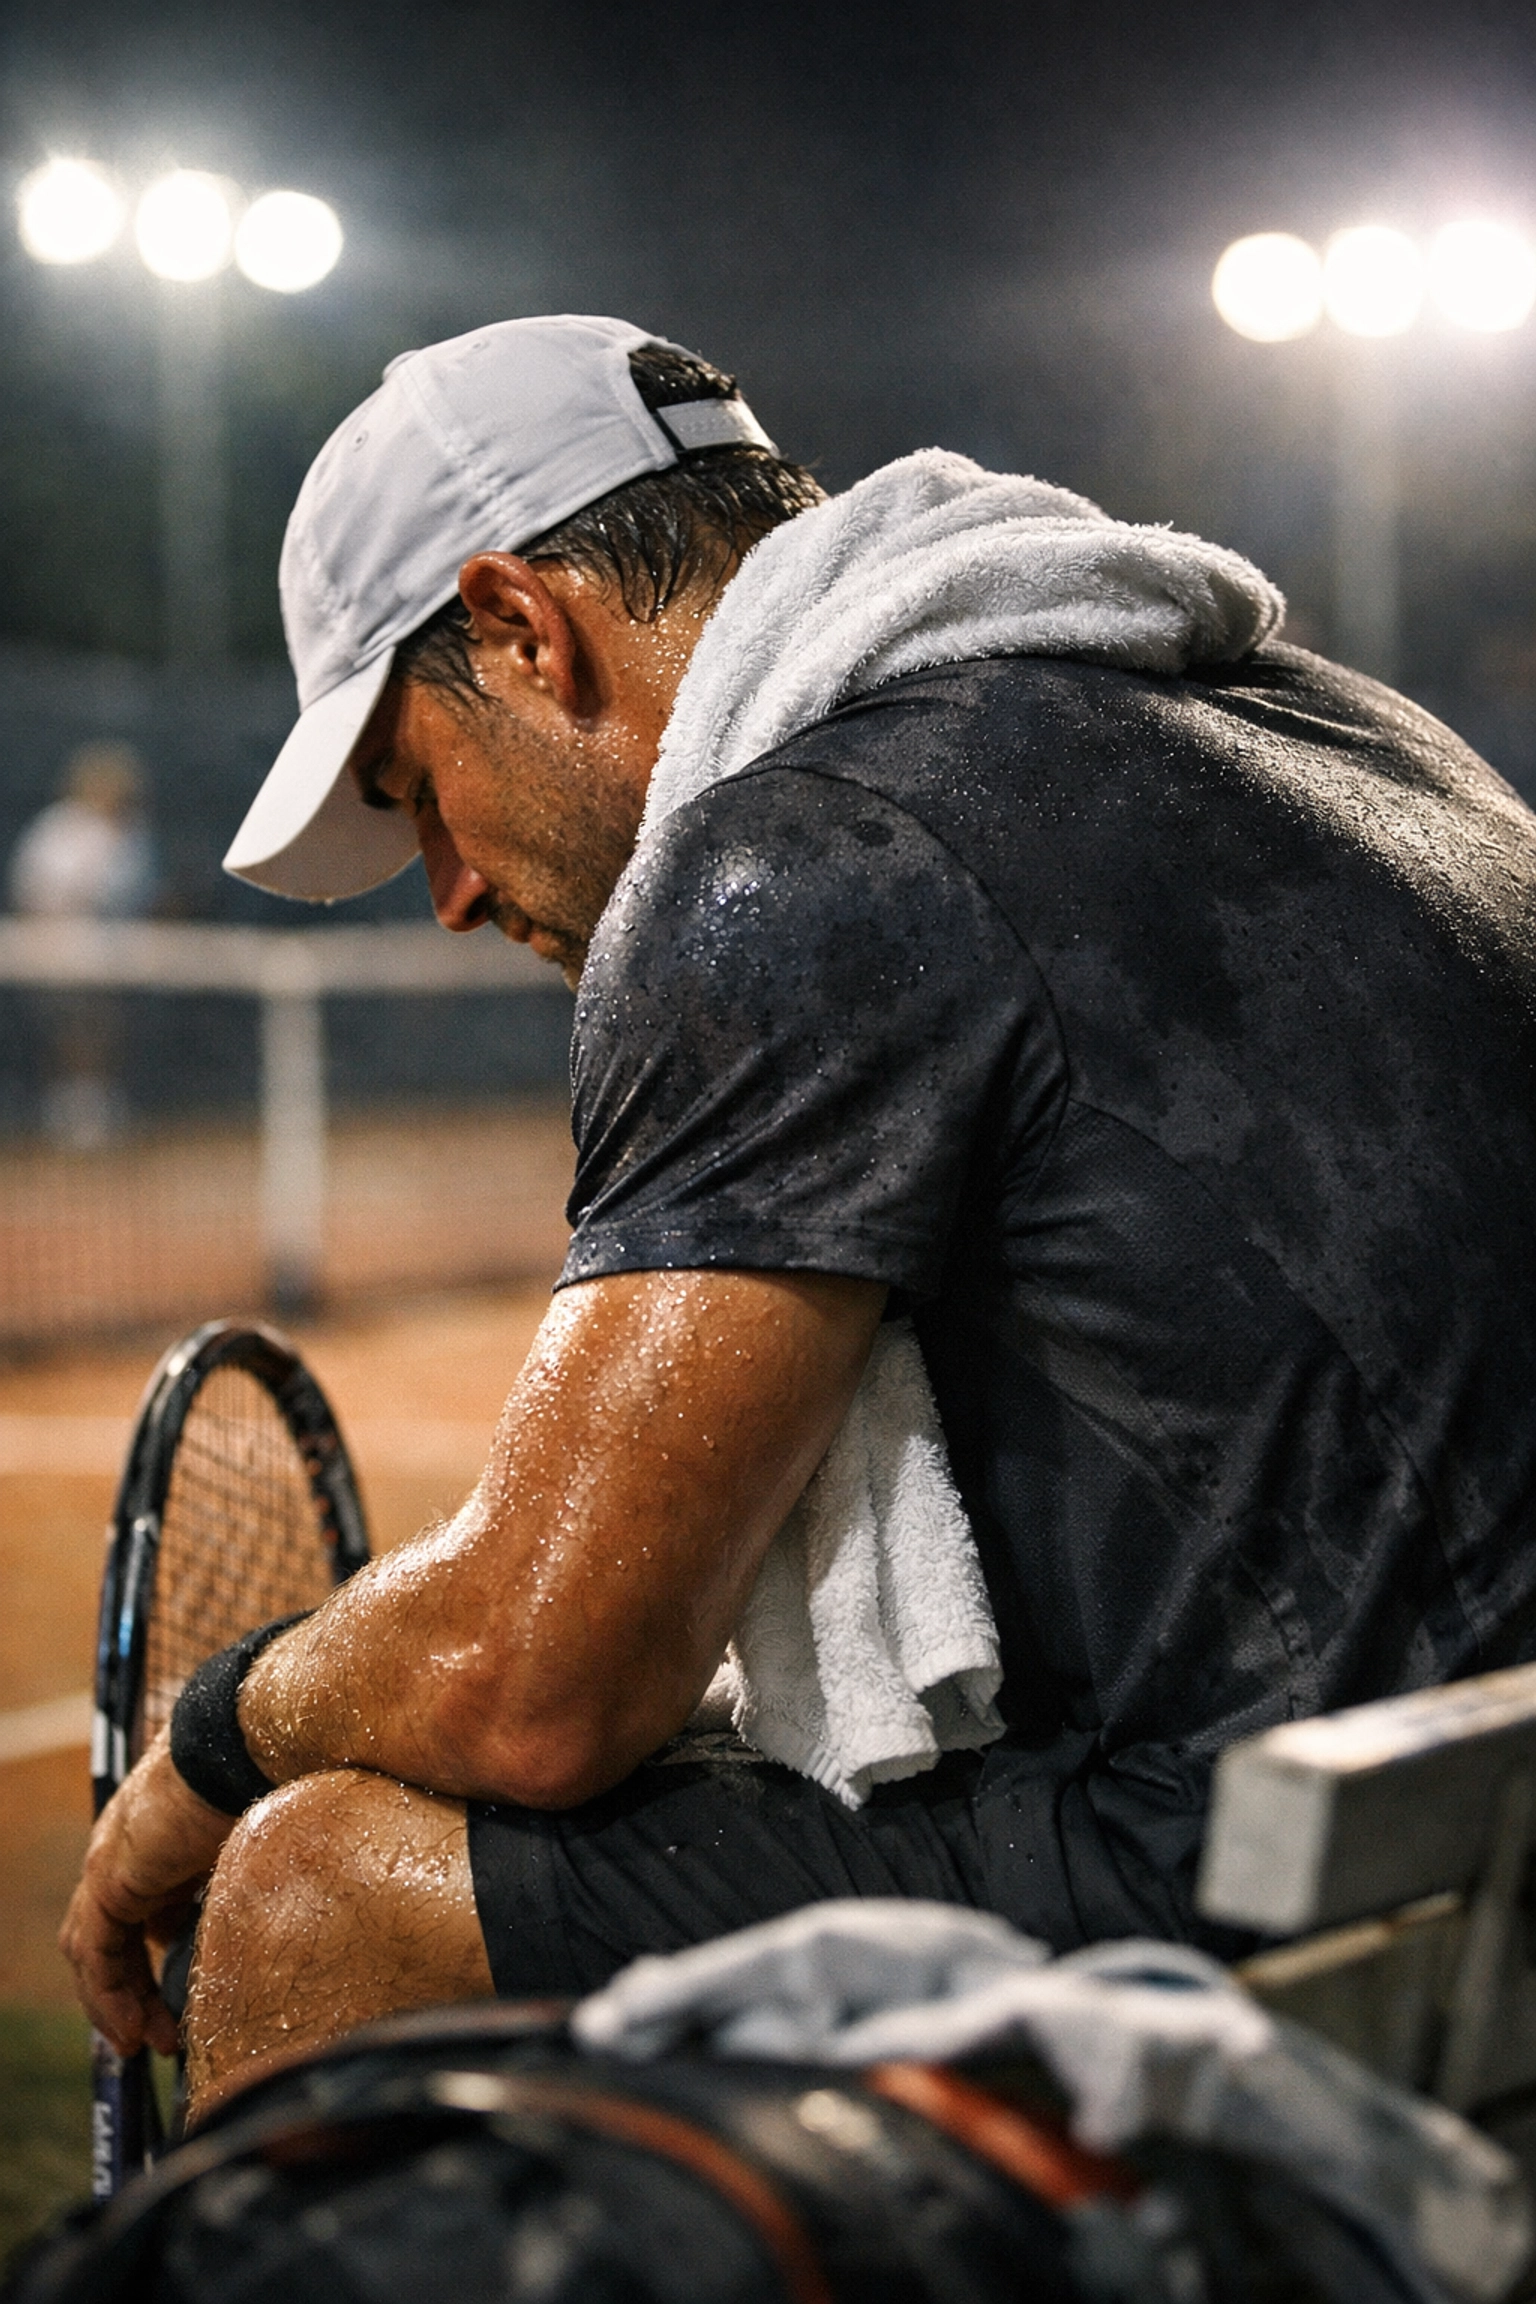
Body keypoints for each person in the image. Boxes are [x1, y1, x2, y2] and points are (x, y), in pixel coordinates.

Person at [61, 315, 1536, 2123]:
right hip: (1467, 1827)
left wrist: (211, 1738)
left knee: (321, 1888)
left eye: (412, 788)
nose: (441, 889)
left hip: (1289, 1905)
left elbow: (538, 1674)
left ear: (525, 624)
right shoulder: (1343, 727)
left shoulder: (799, 847)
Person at [8, 741, 156, 1147]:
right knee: (70, 1034)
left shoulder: (134, 835)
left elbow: (139, 898)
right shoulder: (59, 829)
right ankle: (67, 1110)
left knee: (105, 1034)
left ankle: (98, 1107)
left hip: (114, 958)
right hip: (63, 954)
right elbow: (36, 892)